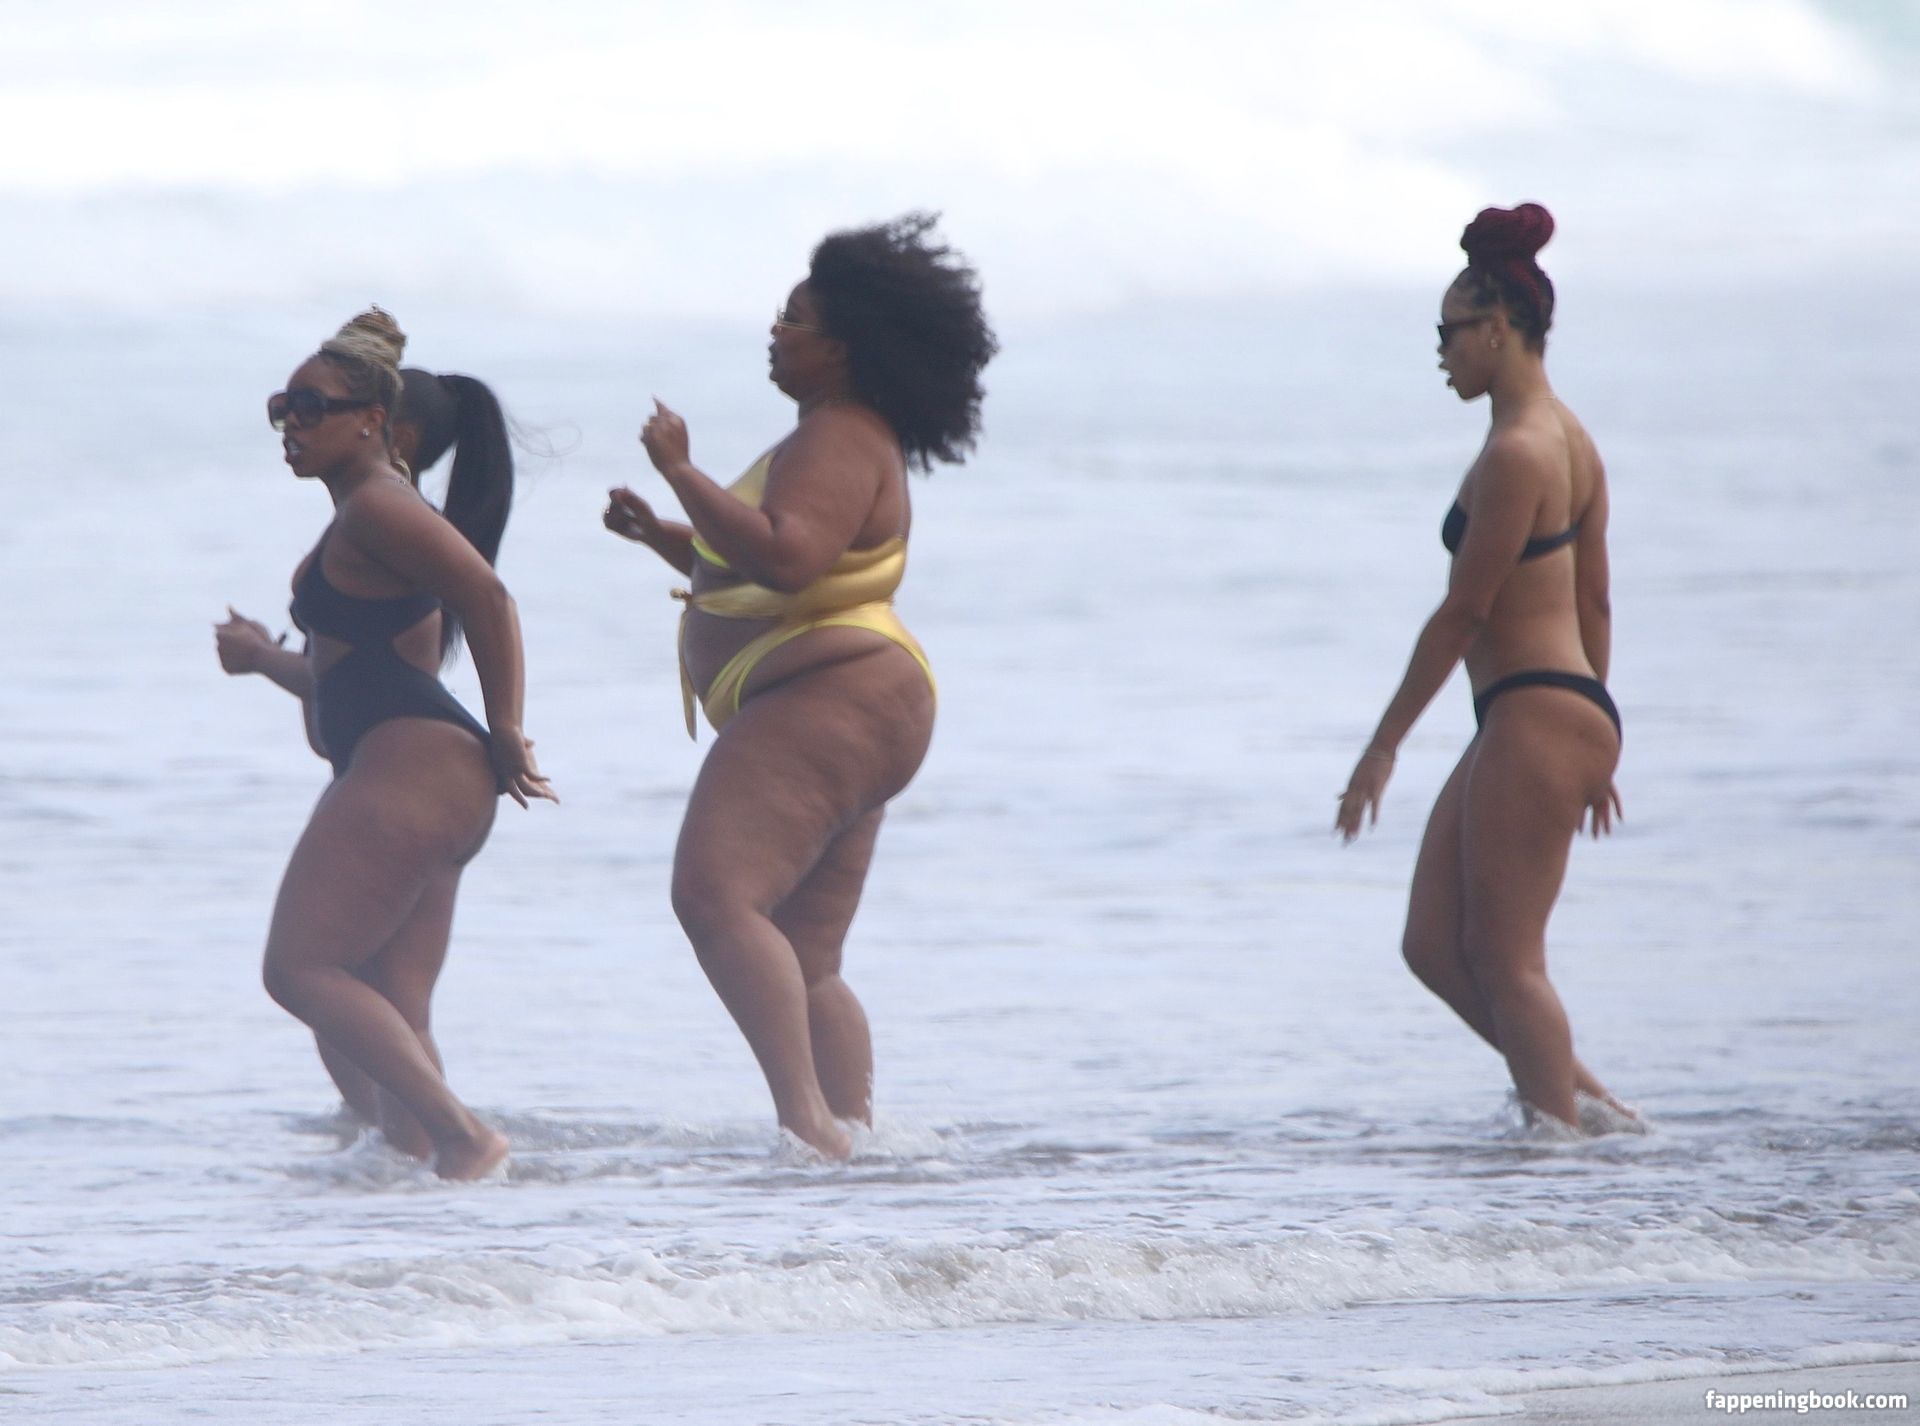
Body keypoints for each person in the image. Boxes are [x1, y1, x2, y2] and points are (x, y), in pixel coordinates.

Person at [604, 214, 996, 1158]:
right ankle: (852, 1139)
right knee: (809, 955)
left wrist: (682, 469)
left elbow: (789, 555)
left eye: (794, 321)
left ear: (846, 347)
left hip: (832, 698)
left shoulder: (839, 436)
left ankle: (808, 1127)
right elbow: (760, 565)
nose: (775, 334)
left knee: (715, 900)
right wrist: (662, 532)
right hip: (861, 702)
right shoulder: (846, 436)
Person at [215, 309, 554, 1179]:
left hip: (414, 767)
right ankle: (418, 1176)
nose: (290, 424)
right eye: (281, 408)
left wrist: (508, 727)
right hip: (423, 772)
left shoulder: (376, 506)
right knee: (390, 999)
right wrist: (260, 659)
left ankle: (463, 1137)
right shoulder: (367, 511)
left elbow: (489, 597)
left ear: (373, 419)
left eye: (310, 407)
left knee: (300, 970)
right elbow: (347, 678)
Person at [1335, 204, 1635, 1134]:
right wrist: (1597, 740)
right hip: (1555, 708)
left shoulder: (1517, 452)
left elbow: (1464, 611)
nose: (1441, 355)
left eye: (1449, 334)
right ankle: (1593, 1112)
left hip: (1538, 711)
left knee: (1508, 960)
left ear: (1497, 329)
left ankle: (1557, 1157)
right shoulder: (1571, 437)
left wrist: (1382, 747)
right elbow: (1595, 602)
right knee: (1433, 944)